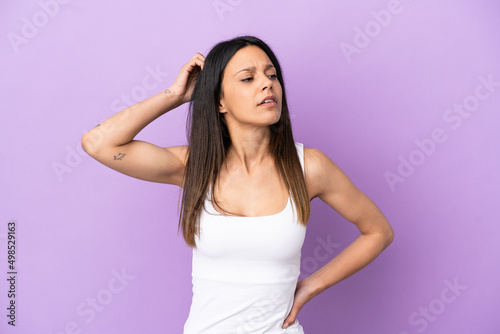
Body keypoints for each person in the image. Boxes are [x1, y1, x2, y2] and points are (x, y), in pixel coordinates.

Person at [81, 35, 394, 334]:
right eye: (248, 78)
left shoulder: (309, 167)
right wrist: (175, 95)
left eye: (272, 75)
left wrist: (312, 285)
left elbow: (378, 231)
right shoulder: (194, 167)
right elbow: (98, 143)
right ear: (220, 101)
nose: (266, 83)